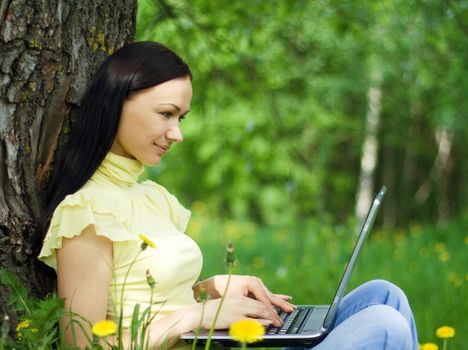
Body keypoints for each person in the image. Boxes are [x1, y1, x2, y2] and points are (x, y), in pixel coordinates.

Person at [37, 41, 418, 350]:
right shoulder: (86, 212)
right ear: (116, 102)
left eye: (180, 118)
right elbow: (82, 345)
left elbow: (155, 296)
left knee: (385, 297)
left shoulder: (152, 198)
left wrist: (215, 288)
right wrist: (193, 317)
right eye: (166, 113)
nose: (177, 134)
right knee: (386, 326)